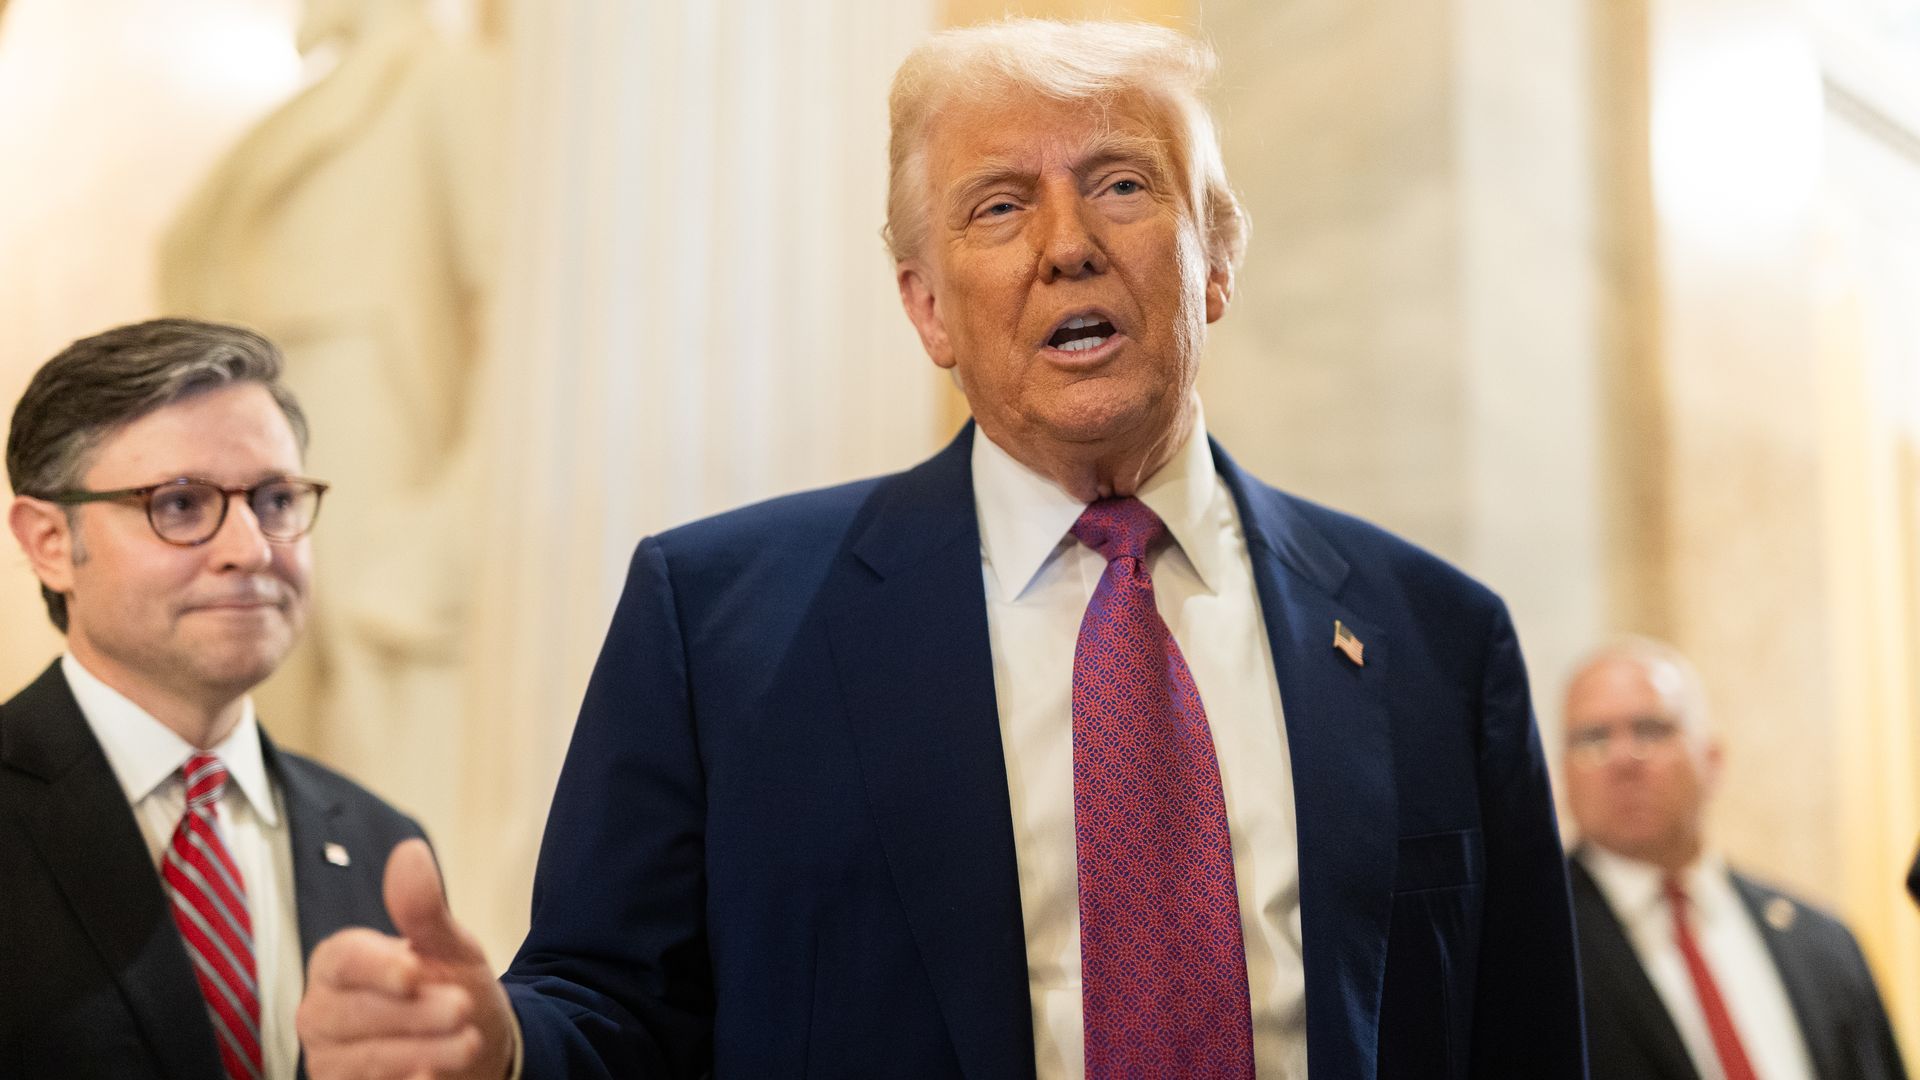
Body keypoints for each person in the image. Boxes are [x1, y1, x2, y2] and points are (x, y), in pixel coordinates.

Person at [297, 19, 1584, 1079]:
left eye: (1123, 185)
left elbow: (1522, 1039)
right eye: (998, 206)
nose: (1067, 242)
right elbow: (615, 1008)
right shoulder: (719, 624)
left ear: (1217, 264)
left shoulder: (1435, 640)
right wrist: (501, 1047)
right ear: (926, 307)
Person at [1, 319, 427, 1080]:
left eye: (274, 499)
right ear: (50, 543)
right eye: (182, 504)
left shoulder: (379, 841)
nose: (250, 548)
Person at [1563, 637, 1907, 1080]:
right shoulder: (1530, 946)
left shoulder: (1822, 944)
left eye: (1651, 729)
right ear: (1561, 773)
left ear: (1712, 758)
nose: (1623, 759)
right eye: (1592, 738)